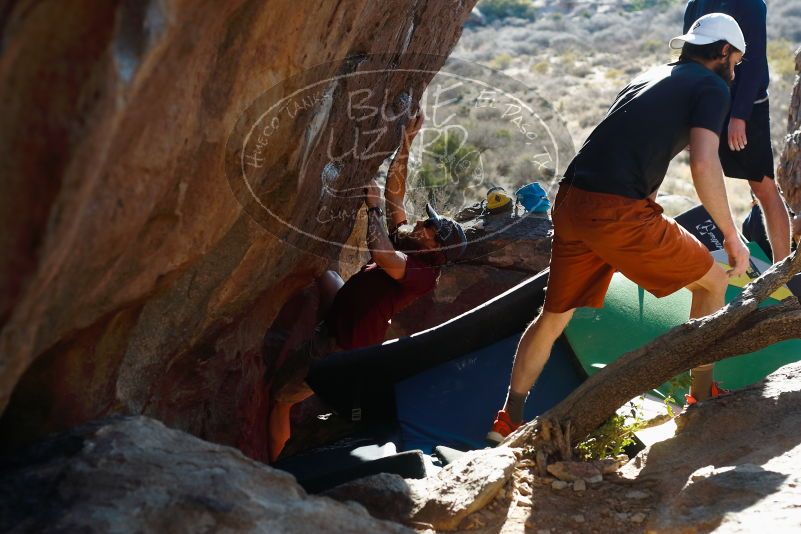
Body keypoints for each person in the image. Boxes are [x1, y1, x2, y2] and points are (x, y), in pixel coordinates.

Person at [486, 13, 751, 445]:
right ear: (722, 52)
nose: (735, 70)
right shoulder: (712, 86)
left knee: (553, 318)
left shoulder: (650, 75)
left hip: (572, 200)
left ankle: (508, 418)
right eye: (735, 61)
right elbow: (703, 163)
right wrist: (731, 236)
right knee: (714, 280)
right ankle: (701, 398)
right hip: (618, 209)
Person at [268, 110, 467, 461]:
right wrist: (405, 142)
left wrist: (372, 211)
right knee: (322, 271)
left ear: (439, 249)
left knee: (280, 399)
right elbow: (396, 197)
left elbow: (384, 254)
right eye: (426, 222)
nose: (421, 226)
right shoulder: (414, 244)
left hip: (343, 342)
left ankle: (275, 463)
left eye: (430, 230)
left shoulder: (422, 272)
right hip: (344, 312)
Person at [684, 0, 791, 263]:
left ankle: (784, 271)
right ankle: (728, 256)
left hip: (746, 108)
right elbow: (688, 58)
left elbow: (753, 64)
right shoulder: (695, 4)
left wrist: (739, 116)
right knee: (707, 175)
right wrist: (688, 116)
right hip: (707, 103)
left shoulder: (751, 5)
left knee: (763, 186)